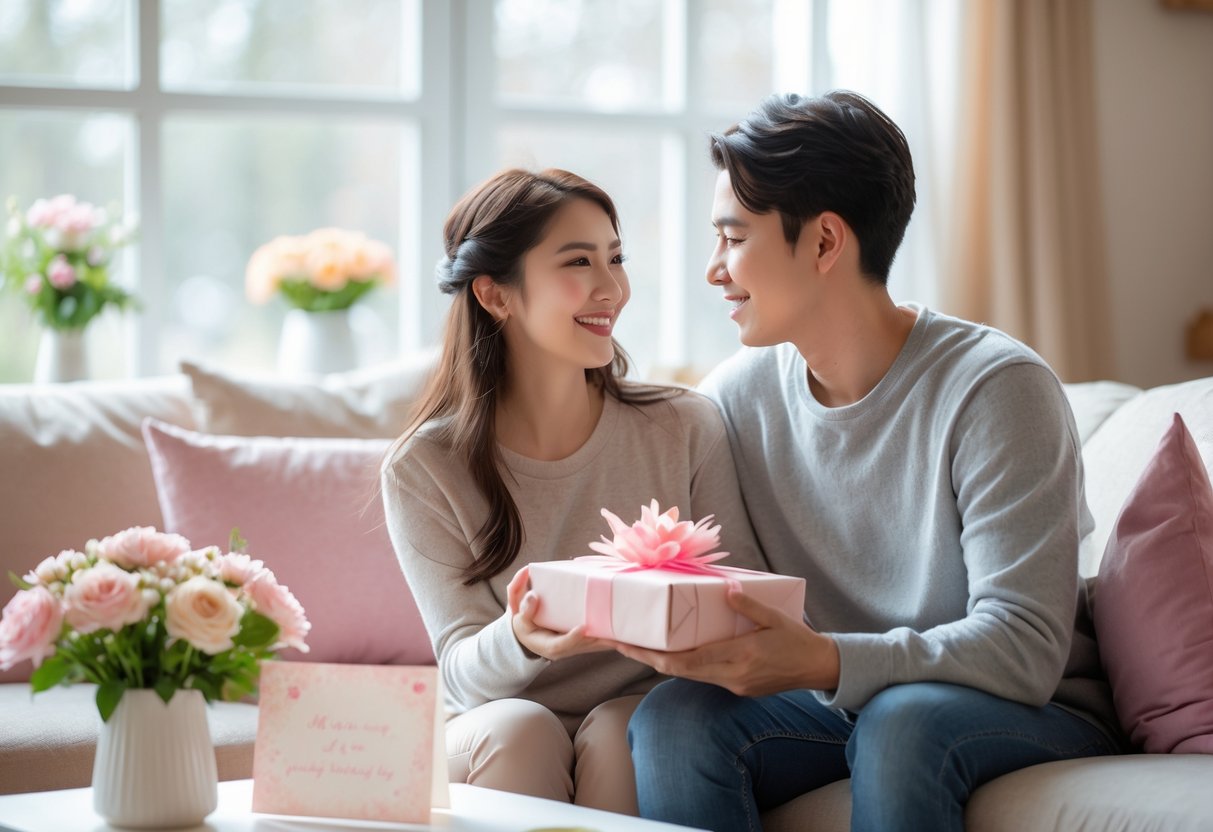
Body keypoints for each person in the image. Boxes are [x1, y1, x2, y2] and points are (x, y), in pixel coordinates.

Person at [618, 91, 1125, 831]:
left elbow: (1024, 648)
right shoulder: (736, 397)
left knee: (903, 721)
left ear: (825, 243)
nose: (712, 271)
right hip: (849, 702)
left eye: (732, 239)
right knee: (678, 717)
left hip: (1027, 708)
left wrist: (825, 658)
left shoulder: (994, 388)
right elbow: (745, 607)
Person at [380, 168, 764, 815]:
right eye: (578, 261)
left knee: (622, 729)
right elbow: (460, 671)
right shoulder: (425, 466)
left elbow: (744, 594)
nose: (610, 288)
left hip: (642, 703)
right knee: (521, 728)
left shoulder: (682, 424)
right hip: (493, 718)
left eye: (615, 259)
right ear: (495, 295)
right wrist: (524, 636)